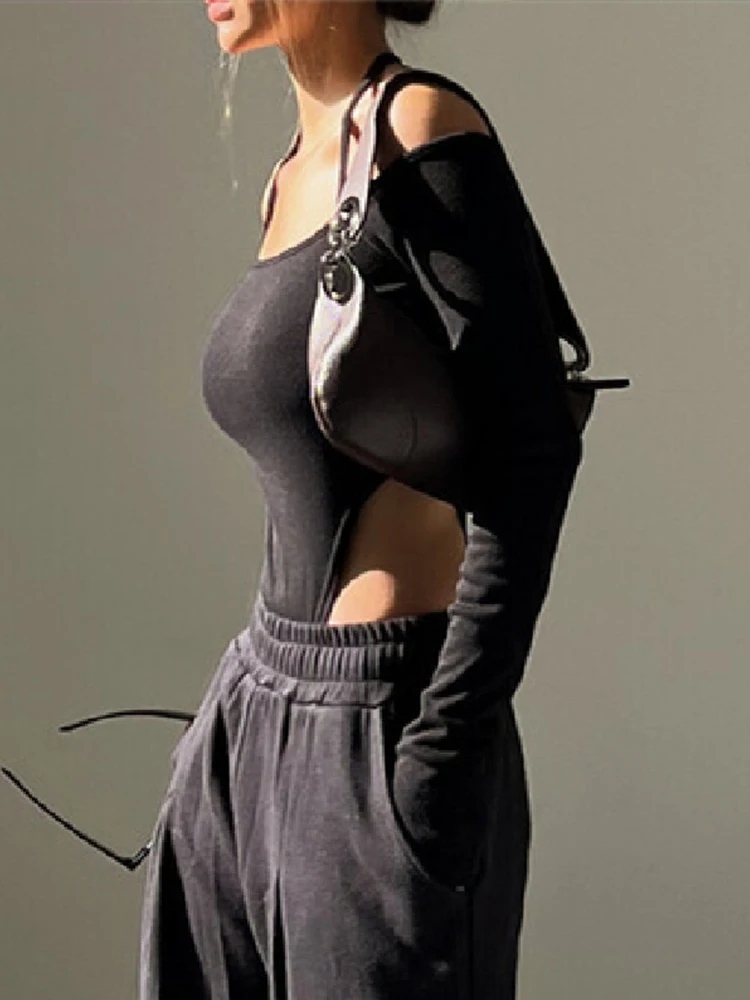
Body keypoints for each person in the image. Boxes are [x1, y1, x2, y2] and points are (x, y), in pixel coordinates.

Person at [139, 2, 584, 998]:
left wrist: (443, 758)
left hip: (378, 731)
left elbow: (535, 451)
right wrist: (228, 742)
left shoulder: (422, 131)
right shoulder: (296, 175)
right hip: (249, 725)